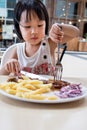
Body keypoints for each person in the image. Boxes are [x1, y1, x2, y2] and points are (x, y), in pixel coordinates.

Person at [0, 0, 79, 76]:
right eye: (27, 26)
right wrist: (9, 64)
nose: (34, 31)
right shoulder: (18, 50)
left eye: (40, 25)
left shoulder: (49, 44)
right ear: (18, 28)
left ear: (45, 24)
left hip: (50, 89)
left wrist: (59, 27)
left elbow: (76, 32)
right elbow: (1, 75)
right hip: (24, 89)